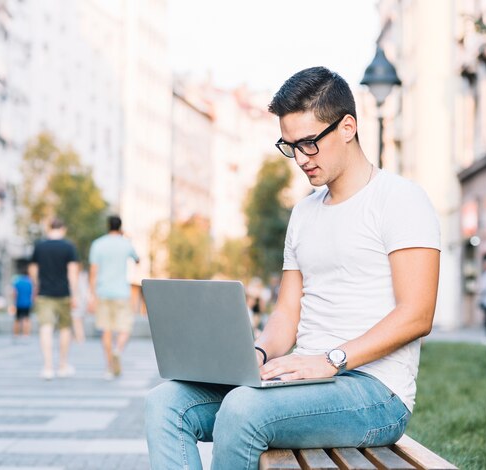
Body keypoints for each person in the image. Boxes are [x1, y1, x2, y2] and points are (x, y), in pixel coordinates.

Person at [144, 66, 441, 469]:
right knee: (166, 402)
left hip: (375, 393)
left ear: (348, 127)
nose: (301, 158)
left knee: (244, 409)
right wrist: (258, 354)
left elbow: (417, 314)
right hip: (304, 381)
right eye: (290, 146)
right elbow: (287, 313)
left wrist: (330, 359)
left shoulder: (401, 199)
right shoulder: (303, 213)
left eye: (309, 143)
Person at [88, 215, 139, 379]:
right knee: (125, 327)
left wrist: (92, 295)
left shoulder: (98, 244)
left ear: (107, 225)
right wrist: (127, 238)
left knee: (106, 331)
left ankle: (109, 368)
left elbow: (93, 272)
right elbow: (137, 260)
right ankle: (118, 350)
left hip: (103, 292)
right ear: (120, 227)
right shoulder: (126, 244)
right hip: (121, 293)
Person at [29, 218, 79, 380]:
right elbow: (72, 272)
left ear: (48, 228)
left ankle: (48, 367)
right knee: (65, 328)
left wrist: (37, 285)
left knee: (46, 328)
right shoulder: (69, 247)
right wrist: (74, 293)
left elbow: (33, 268)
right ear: (63, 229)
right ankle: (62, 365)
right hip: (64, 293)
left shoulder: (39, 246)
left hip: (44, 293)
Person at [12, 264, 34, 339]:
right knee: (26, 319)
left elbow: (14, 293)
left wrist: (14, 302)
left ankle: (16, 334)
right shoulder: (30, 282)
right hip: (27, 303)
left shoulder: (17, 282)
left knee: (17, 319)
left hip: (18, 303)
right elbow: (32, 294)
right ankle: (26, 334)